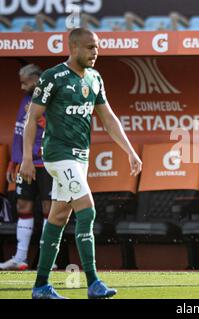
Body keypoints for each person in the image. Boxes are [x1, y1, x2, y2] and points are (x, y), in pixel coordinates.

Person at [20, 28, 142, 299]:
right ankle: (94, 282)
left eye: (96, 47)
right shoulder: (53, 77)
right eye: (89, 47)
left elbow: (108, 118)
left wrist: (130, 152)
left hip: (80, 157)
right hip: (58, 155)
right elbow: (32, 118)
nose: (95, 52)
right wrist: (28, 158)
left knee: (59, 216)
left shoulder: (95, 78)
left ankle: (40, 286)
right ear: (73, 47)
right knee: (87, 210)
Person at [0, 64, 54, 271]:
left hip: (46, 162)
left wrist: (39, 118)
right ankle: (20, 257)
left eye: (25, 82)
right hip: (25, 163)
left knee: (49, 209)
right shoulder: (25, 99)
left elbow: (56, 127)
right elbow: (20, 132)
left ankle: (47, 259)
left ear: (36, 80)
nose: (22, 87)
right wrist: (15, 160)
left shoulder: (50, 98)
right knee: (23, 206)